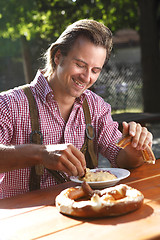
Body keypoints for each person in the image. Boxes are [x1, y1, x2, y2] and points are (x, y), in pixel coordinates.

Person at [0, 19, 153, 199]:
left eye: (95, 70)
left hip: (85, 212)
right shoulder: (9, 104)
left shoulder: (96, 107)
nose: (86, 77)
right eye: (80, 64)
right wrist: (40, 153)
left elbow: (121, 159)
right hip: (24, 219)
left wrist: (135, 150)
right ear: (57, 56)